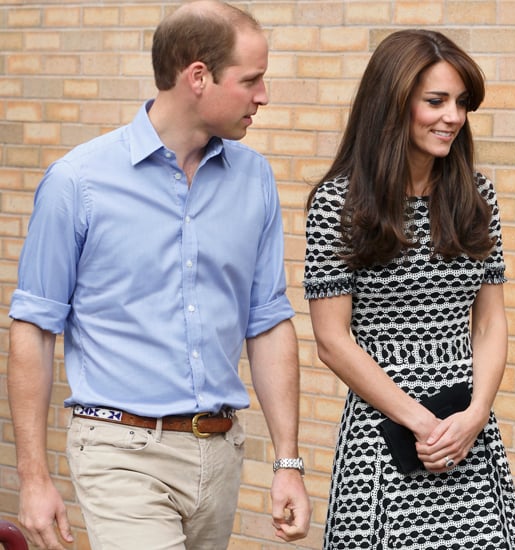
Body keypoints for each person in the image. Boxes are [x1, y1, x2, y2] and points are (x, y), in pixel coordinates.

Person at [7, 1, 311, 548]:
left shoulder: (255, 178)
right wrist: (34, 477)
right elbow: (33, 325)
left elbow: (267, 322)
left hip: (220, 454)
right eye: (252, 80)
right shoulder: (78, 182)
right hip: (120, 451)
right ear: (198, 75)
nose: (262, 96)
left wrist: (288, 462)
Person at [304, 29, 515, 549]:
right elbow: (333, 342)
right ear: (392, 102)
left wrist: (473, 417)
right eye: (436, 101)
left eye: (461, 103)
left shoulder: (477, 197)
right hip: (386, 436)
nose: (453, 116)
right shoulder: (338, 206)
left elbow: (492, 321)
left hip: (468, 434)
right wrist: (425, 424)